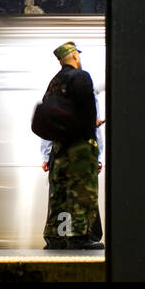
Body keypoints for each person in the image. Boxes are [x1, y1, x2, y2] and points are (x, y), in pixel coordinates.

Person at [41, 41, 104, 250]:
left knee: (58, 193)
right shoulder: (81, 77)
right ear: (75, 56)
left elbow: (50, 114)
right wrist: (92, 122)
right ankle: (79, 237)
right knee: (82, 192)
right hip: (80, 147)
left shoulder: (54, 82)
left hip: (59, 148)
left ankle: (55, 237)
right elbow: (86, 110)